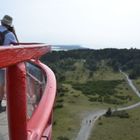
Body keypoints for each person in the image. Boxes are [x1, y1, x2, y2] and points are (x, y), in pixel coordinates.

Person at [0, 15, 18, 113]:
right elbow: (17, 46)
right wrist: (13, 32)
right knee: (1, 85)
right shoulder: (10, 34)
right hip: (1, 64)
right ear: (9, 25)